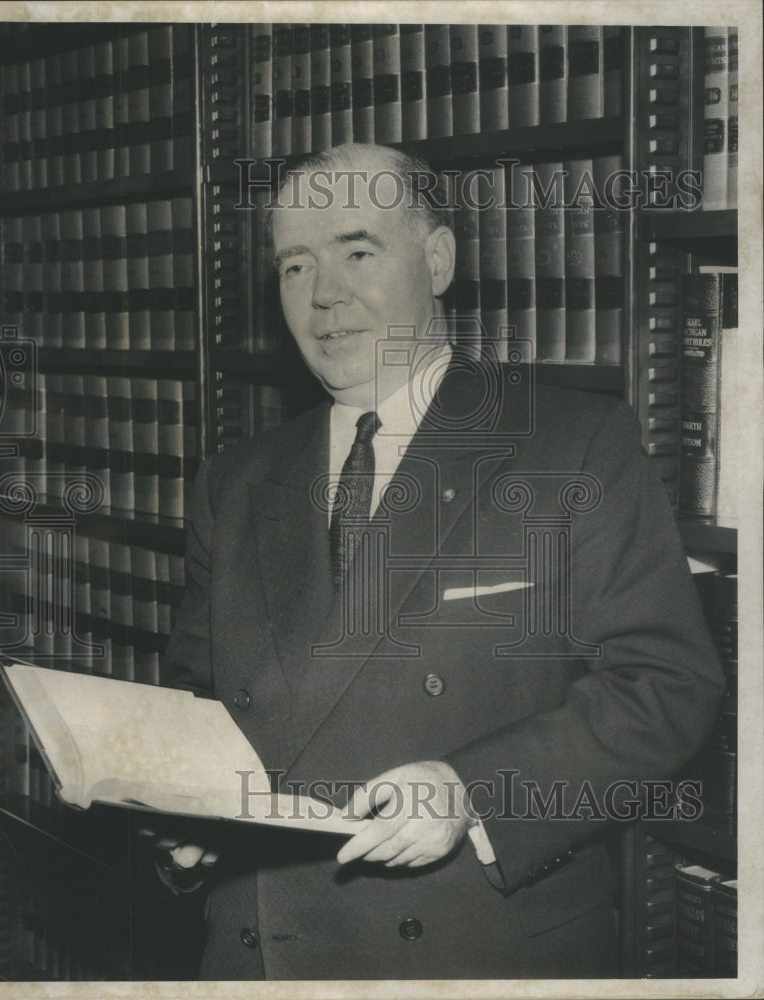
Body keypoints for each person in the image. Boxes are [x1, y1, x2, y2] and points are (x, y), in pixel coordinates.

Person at [148, 143, 724, 979]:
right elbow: (198, 704)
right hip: (258, 954)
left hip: (472, 947)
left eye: (356, 251)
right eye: (295, 265)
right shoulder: (235, 482)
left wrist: (471, 789)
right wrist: (181, 816)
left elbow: (668, 689)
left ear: (439, 258)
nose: (323, 296)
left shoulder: (571, 445)